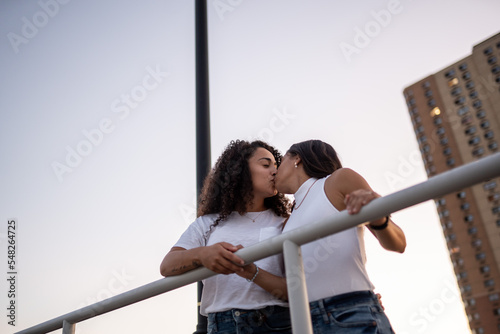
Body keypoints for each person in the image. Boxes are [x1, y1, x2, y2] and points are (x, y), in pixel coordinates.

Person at [160, 140, 292, 334]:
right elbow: (167, 266)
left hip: (275, 323)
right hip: (221, 325)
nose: (275, 171)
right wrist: (202, 255)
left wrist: (252, 272)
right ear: (240, 170)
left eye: (276, 166)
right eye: (265, 165)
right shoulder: (207, 223)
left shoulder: (285, 221)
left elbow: (296, 287)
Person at [274, 139, 406, 334]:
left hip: (350, 312)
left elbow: (399, 243)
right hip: (305, 322)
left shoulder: (337, 180)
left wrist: (380, 219)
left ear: (297, 159)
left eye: (281, 160)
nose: (275, 169)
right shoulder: (289, 221)